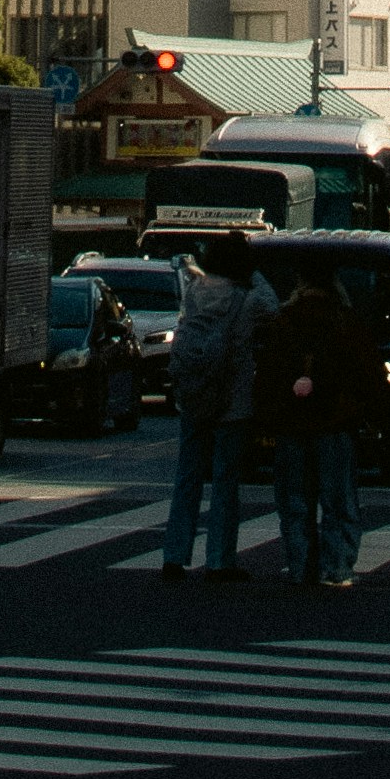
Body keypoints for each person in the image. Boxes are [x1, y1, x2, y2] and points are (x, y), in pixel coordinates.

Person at [257, 248, 376, 590]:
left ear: (300, 281)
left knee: (295, 502)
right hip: (335, 420)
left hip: (292, 422)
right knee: (338, 501)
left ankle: (299, 567)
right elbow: (366, 373)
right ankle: (336, 567)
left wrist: (271, 414)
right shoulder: (344, 319)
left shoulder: (285, 320)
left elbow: (268, 375)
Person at [149, 231, 258, 566]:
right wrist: (255, 274)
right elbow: (270, 307)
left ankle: (175, 554)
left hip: (194, 393)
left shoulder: (195, 291)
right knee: (225, 482)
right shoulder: (245, 297)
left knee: (188, 477)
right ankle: (219, 559)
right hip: (231, 398)